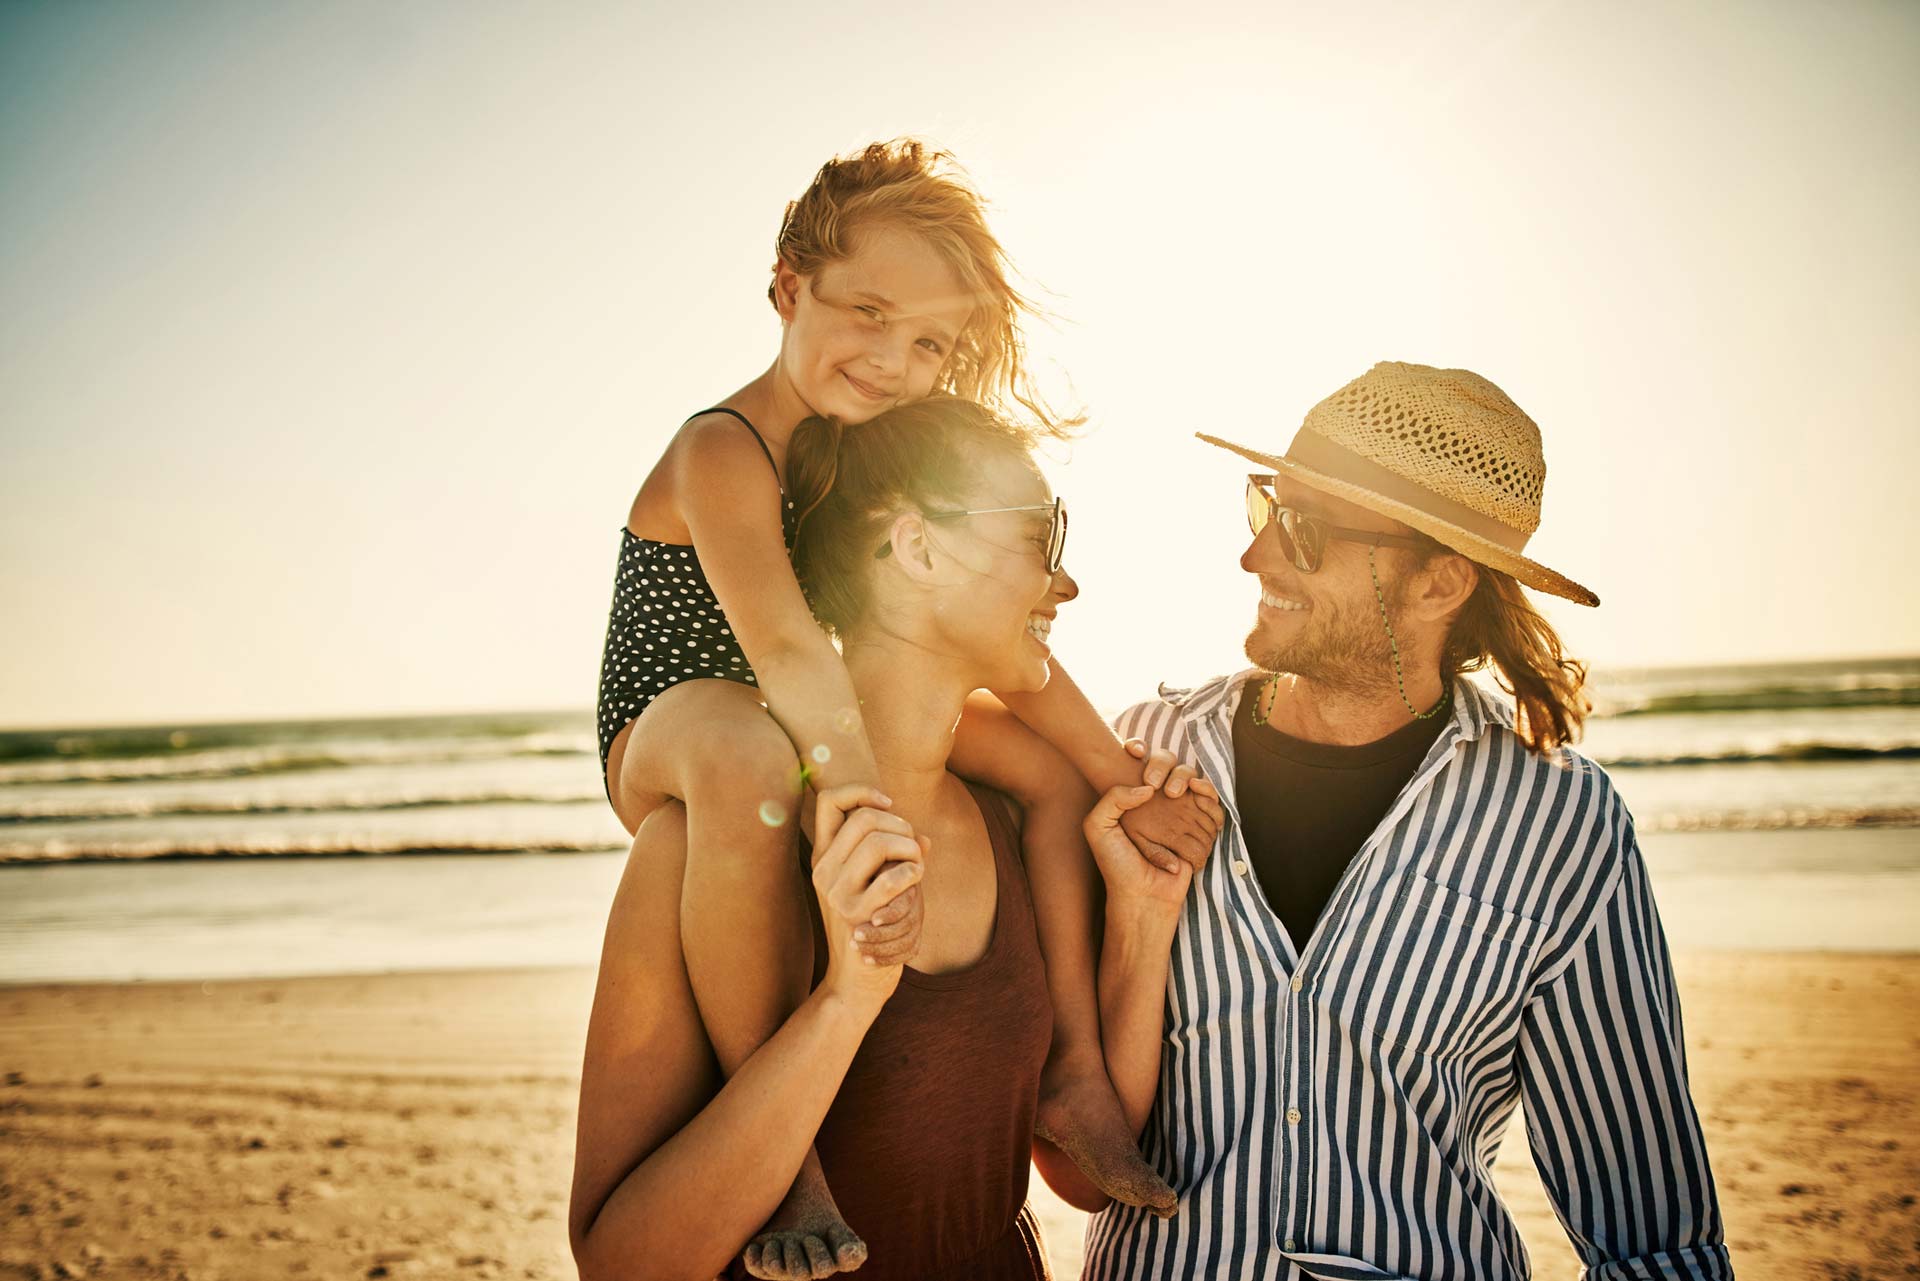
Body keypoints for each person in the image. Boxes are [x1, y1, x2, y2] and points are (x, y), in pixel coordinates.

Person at [591, 141, 1211, 1267]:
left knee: (1048, 774)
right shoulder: (722, 447)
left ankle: (1072, 1078)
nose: (891, 360)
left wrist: (1123, 785)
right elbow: (783, 647)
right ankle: (787, 1160)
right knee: (743, 761)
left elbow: (1013, 655)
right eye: (868, 313)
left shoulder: (870, 453)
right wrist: (862, 807)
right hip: (680, 713)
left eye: (928, 342)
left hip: (799, 715)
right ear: (788, 288)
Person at [1071, 362, 1732, 1278]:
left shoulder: (1561, 826)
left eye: (1303, 530)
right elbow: (1069, 1114)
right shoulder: (1146, 758)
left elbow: (1650, 1232)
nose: (1255, 556)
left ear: (1439, 582)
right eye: (1266, 507)